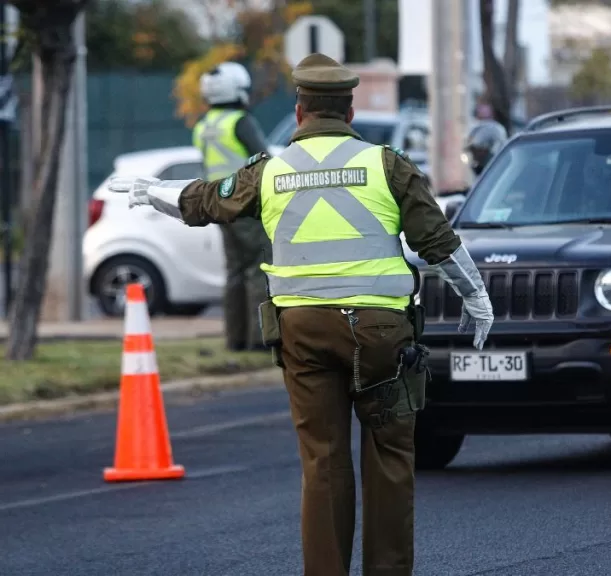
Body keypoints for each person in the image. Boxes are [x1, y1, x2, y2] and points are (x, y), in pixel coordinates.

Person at [107, 53, 495, 576]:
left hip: (304, 334)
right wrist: (477, 298)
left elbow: (205, 202)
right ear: (350, 112)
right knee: (389, 458)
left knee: (323, 462)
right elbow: (438, 242)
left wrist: (154, 192)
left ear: (299, 112)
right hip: (381, 334)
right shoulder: (387, 164)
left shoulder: (268, 172)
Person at [194, 61, 271, 351]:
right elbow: (264, 160)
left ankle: (235, 340)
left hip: (218, 203)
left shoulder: (204, 126)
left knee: (234, 271)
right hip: (247, 203)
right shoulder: (240, 122)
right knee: (258, 268)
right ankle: (259, 340)